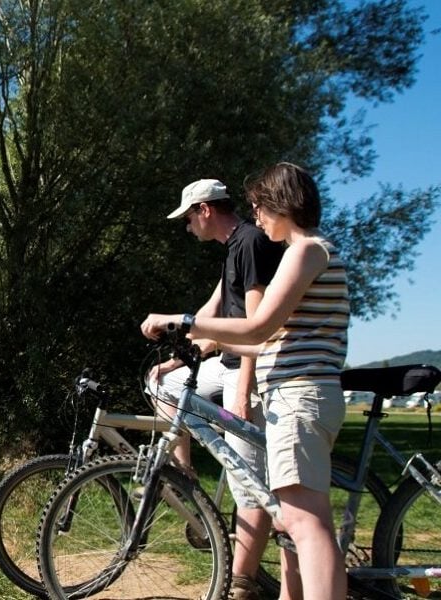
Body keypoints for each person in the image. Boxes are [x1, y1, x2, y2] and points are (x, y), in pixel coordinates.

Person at [141, 162, 350, 600]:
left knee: (305, 526)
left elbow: (256, 327)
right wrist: (194, 344)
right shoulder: (309, 251)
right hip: (301, 392)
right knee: (307, 523)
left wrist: (180, 320)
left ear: (280, 204)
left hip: (299, 396)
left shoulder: (306, 250)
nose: (255, 216)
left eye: (259, 206)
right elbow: (266, 339)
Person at [147, 178, 283, 599]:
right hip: (223, 364)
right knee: (161, 384)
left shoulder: (252, 243)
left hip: (250, 370)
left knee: (248, 483)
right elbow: (212, 310)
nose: (188, 227)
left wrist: (244, 387)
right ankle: (185, 476)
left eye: (189, 218)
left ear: (205, 210)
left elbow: (256, 325)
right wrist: (179, 358)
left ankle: (241, 584)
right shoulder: (232, 249)